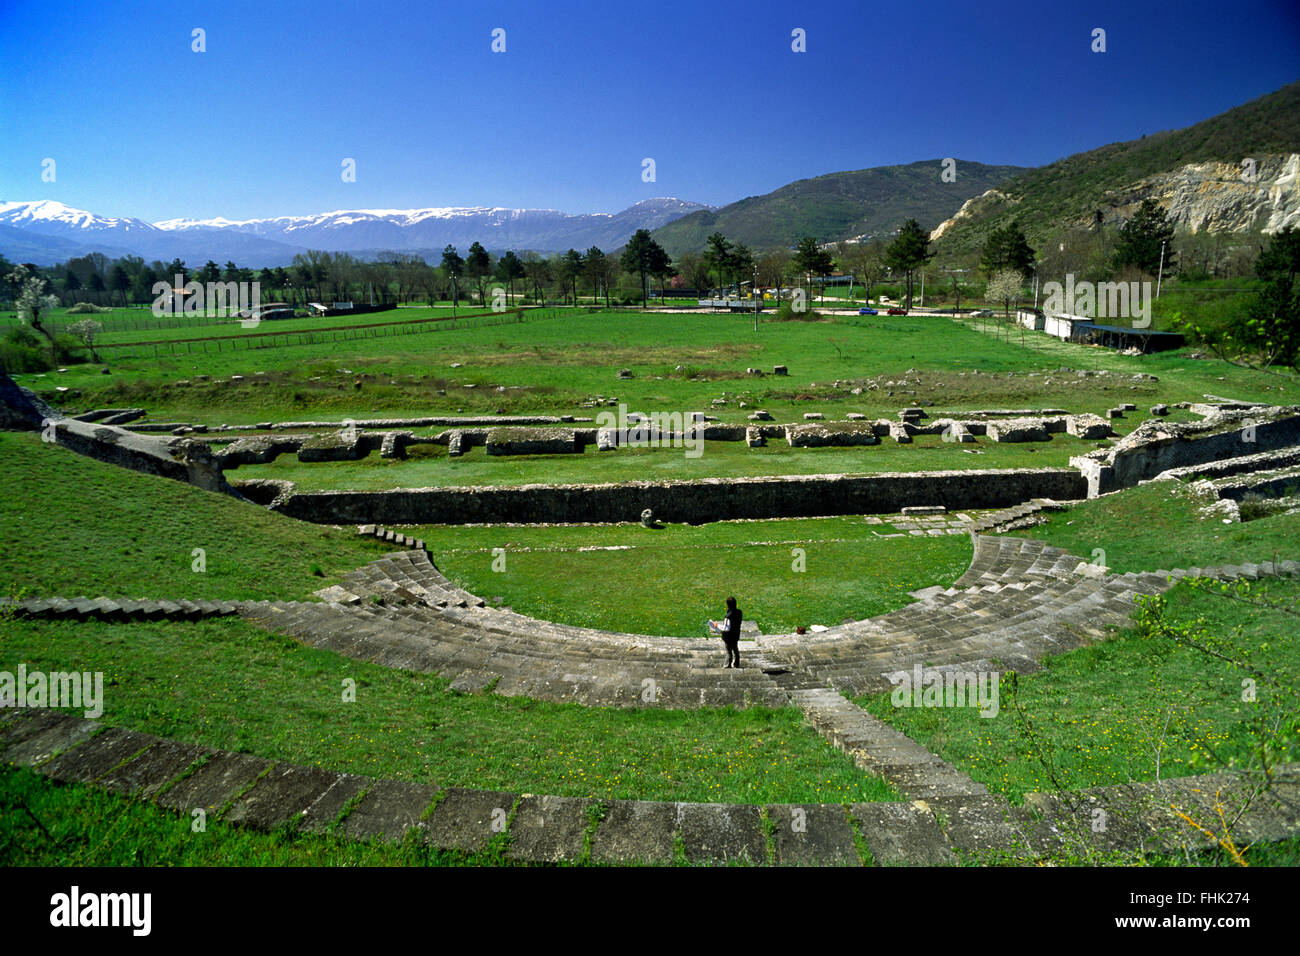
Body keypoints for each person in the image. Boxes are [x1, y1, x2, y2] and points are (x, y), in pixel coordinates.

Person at [716, 596, 742, 668]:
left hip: (728, 636)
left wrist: (717, 626)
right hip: (736, 634)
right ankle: (736, 663)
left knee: (729, 651)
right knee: (735, 649)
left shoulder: (728, 616)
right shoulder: (739, 612)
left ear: (727, 605)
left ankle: (727, 665)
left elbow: (726, 628)